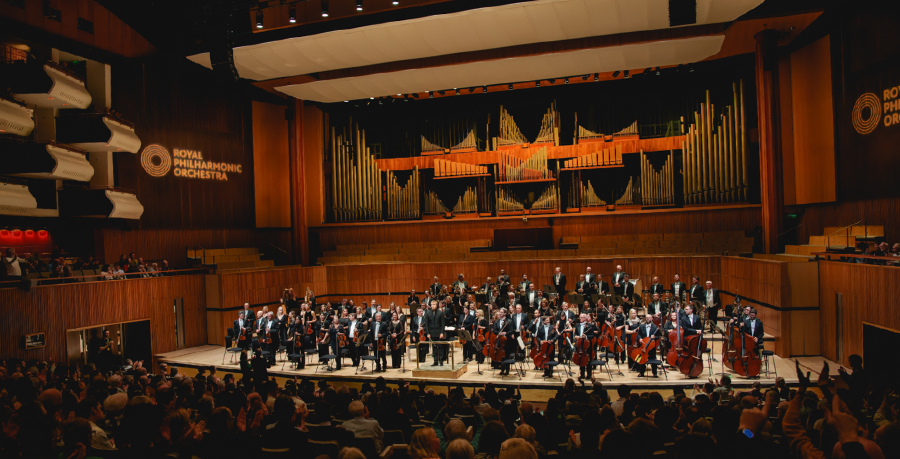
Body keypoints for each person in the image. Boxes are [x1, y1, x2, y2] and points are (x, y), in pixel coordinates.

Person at [493, 309, 516, 376]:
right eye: (499, 312)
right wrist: (499, 333)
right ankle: (502, 369)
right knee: (500, 355)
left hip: (507, 341)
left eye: (501, 312)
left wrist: (505, 333)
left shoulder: (509, 321)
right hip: (499, 341)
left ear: (505, 314)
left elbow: (511, 330)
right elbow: (494, 330)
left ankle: (507, 370)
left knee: (507, 355)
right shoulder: (496, 322)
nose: (499, 313)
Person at [573, 313, 596, 381]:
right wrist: (576, 336)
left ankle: (589, 374)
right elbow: (576, 333)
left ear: (585, 318)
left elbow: (592, 335)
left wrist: (586, 336)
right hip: (580, 345)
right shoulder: (577, 325)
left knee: (588, 360)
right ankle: (582, 374)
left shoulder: (589, 325)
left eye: (581, 317)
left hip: (587, 345)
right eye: (580, 317)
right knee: (581, 359)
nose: (580, 318)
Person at [425, 300, 446, 366]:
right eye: (432, 304)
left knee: (440, 347)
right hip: (431, 333)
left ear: (436, 305)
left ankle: (441, 361)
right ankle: (435, 361)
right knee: (434, 348)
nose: (433, 306)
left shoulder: (440, 313)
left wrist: (442, 333)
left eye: (434, 304)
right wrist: (428, 333)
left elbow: (443, 324)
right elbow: (426, 324)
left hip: (439, 332)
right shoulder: (428, 313)